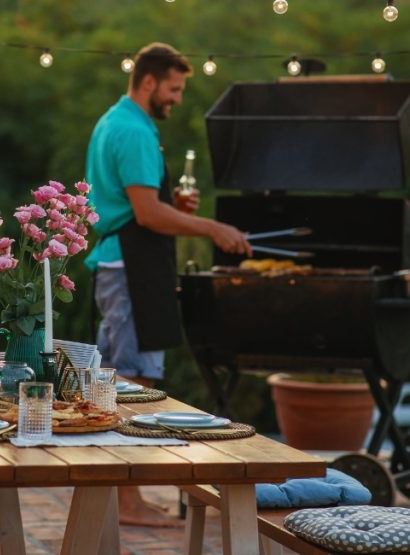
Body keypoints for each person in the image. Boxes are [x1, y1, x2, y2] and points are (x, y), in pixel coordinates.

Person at [84, 42, 252, 527]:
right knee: (133, 384)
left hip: (125, 263)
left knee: (113, 382)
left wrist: (174, 209)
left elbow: (139, 205)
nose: (177, 98)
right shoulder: (135, 130)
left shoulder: (113, 120)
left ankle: (118, 498)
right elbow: (144, 213)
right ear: (150, 81)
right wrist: (214, 228)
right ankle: (127, 503)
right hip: (131, 267)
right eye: (174, 89)